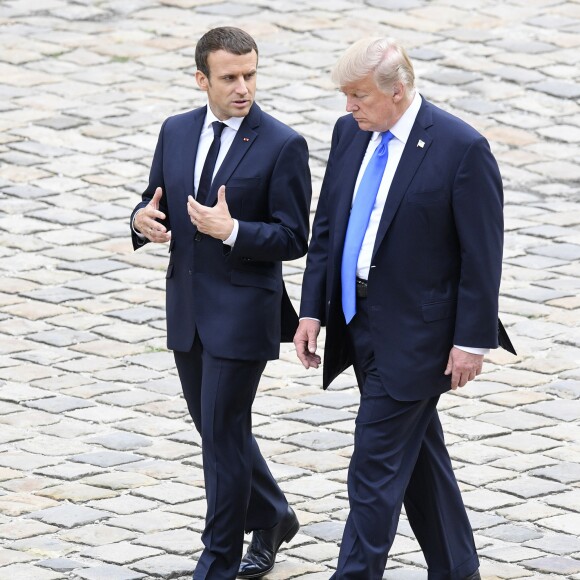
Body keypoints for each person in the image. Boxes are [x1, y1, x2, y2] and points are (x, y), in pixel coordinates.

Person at [294, 37, 514, 580]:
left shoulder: (461, 148)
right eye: (346, 96)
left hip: (419, 337)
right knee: (419, 461)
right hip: (356, 322)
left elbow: (481, 255)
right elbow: (328, 230)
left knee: (372, 470)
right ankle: (458, 570)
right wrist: (312, 310)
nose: (349, 107)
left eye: (359, 96)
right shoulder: (352, 132)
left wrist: (471, 340)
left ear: (399, 91)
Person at [130, 27, 310, 580]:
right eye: (230, 77)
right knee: (217, 429)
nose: (243, 88)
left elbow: (294, 236)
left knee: (223, 439)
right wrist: (140, 221)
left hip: (243, 314)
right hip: (187, 311)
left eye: (250, 74)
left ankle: (217, 562)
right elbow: (153, 197)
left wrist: (233, 231)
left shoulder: (282, 145)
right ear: (201, 79)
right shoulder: (176, 131)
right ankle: (274, 515)